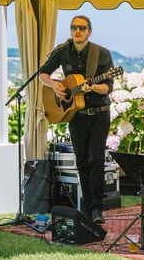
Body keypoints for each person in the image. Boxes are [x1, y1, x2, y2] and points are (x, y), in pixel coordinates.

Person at [40, 15, 114, 224]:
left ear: (89, 31)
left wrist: (93, 87)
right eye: (74, 28)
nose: (77, 31)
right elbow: (43, 73)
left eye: (82, 28)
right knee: (81, 161)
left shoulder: (101, 53)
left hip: (99, 113)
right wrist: (54, 85)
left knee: (96, 160)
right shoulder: (63, 51)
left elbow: (108, 86)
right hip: (75, 115)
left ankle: (96, 209)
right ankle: (87, 205)